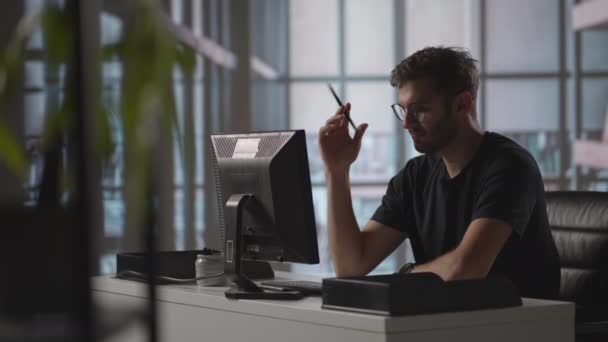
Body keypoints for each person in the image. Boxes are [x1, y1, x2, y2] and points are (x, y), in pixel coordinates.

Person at [318, 46, 560, 299]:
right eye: (403, 109)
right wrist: (337, 170)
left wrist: (406, 276)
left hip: (520, 325)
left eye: (420, 109)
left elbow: (465, 269)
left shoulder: (510, 166)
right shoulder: (415, 176)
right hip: (449, 321)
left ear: (461, 104)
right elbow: (351, 265)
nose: (406, 123)